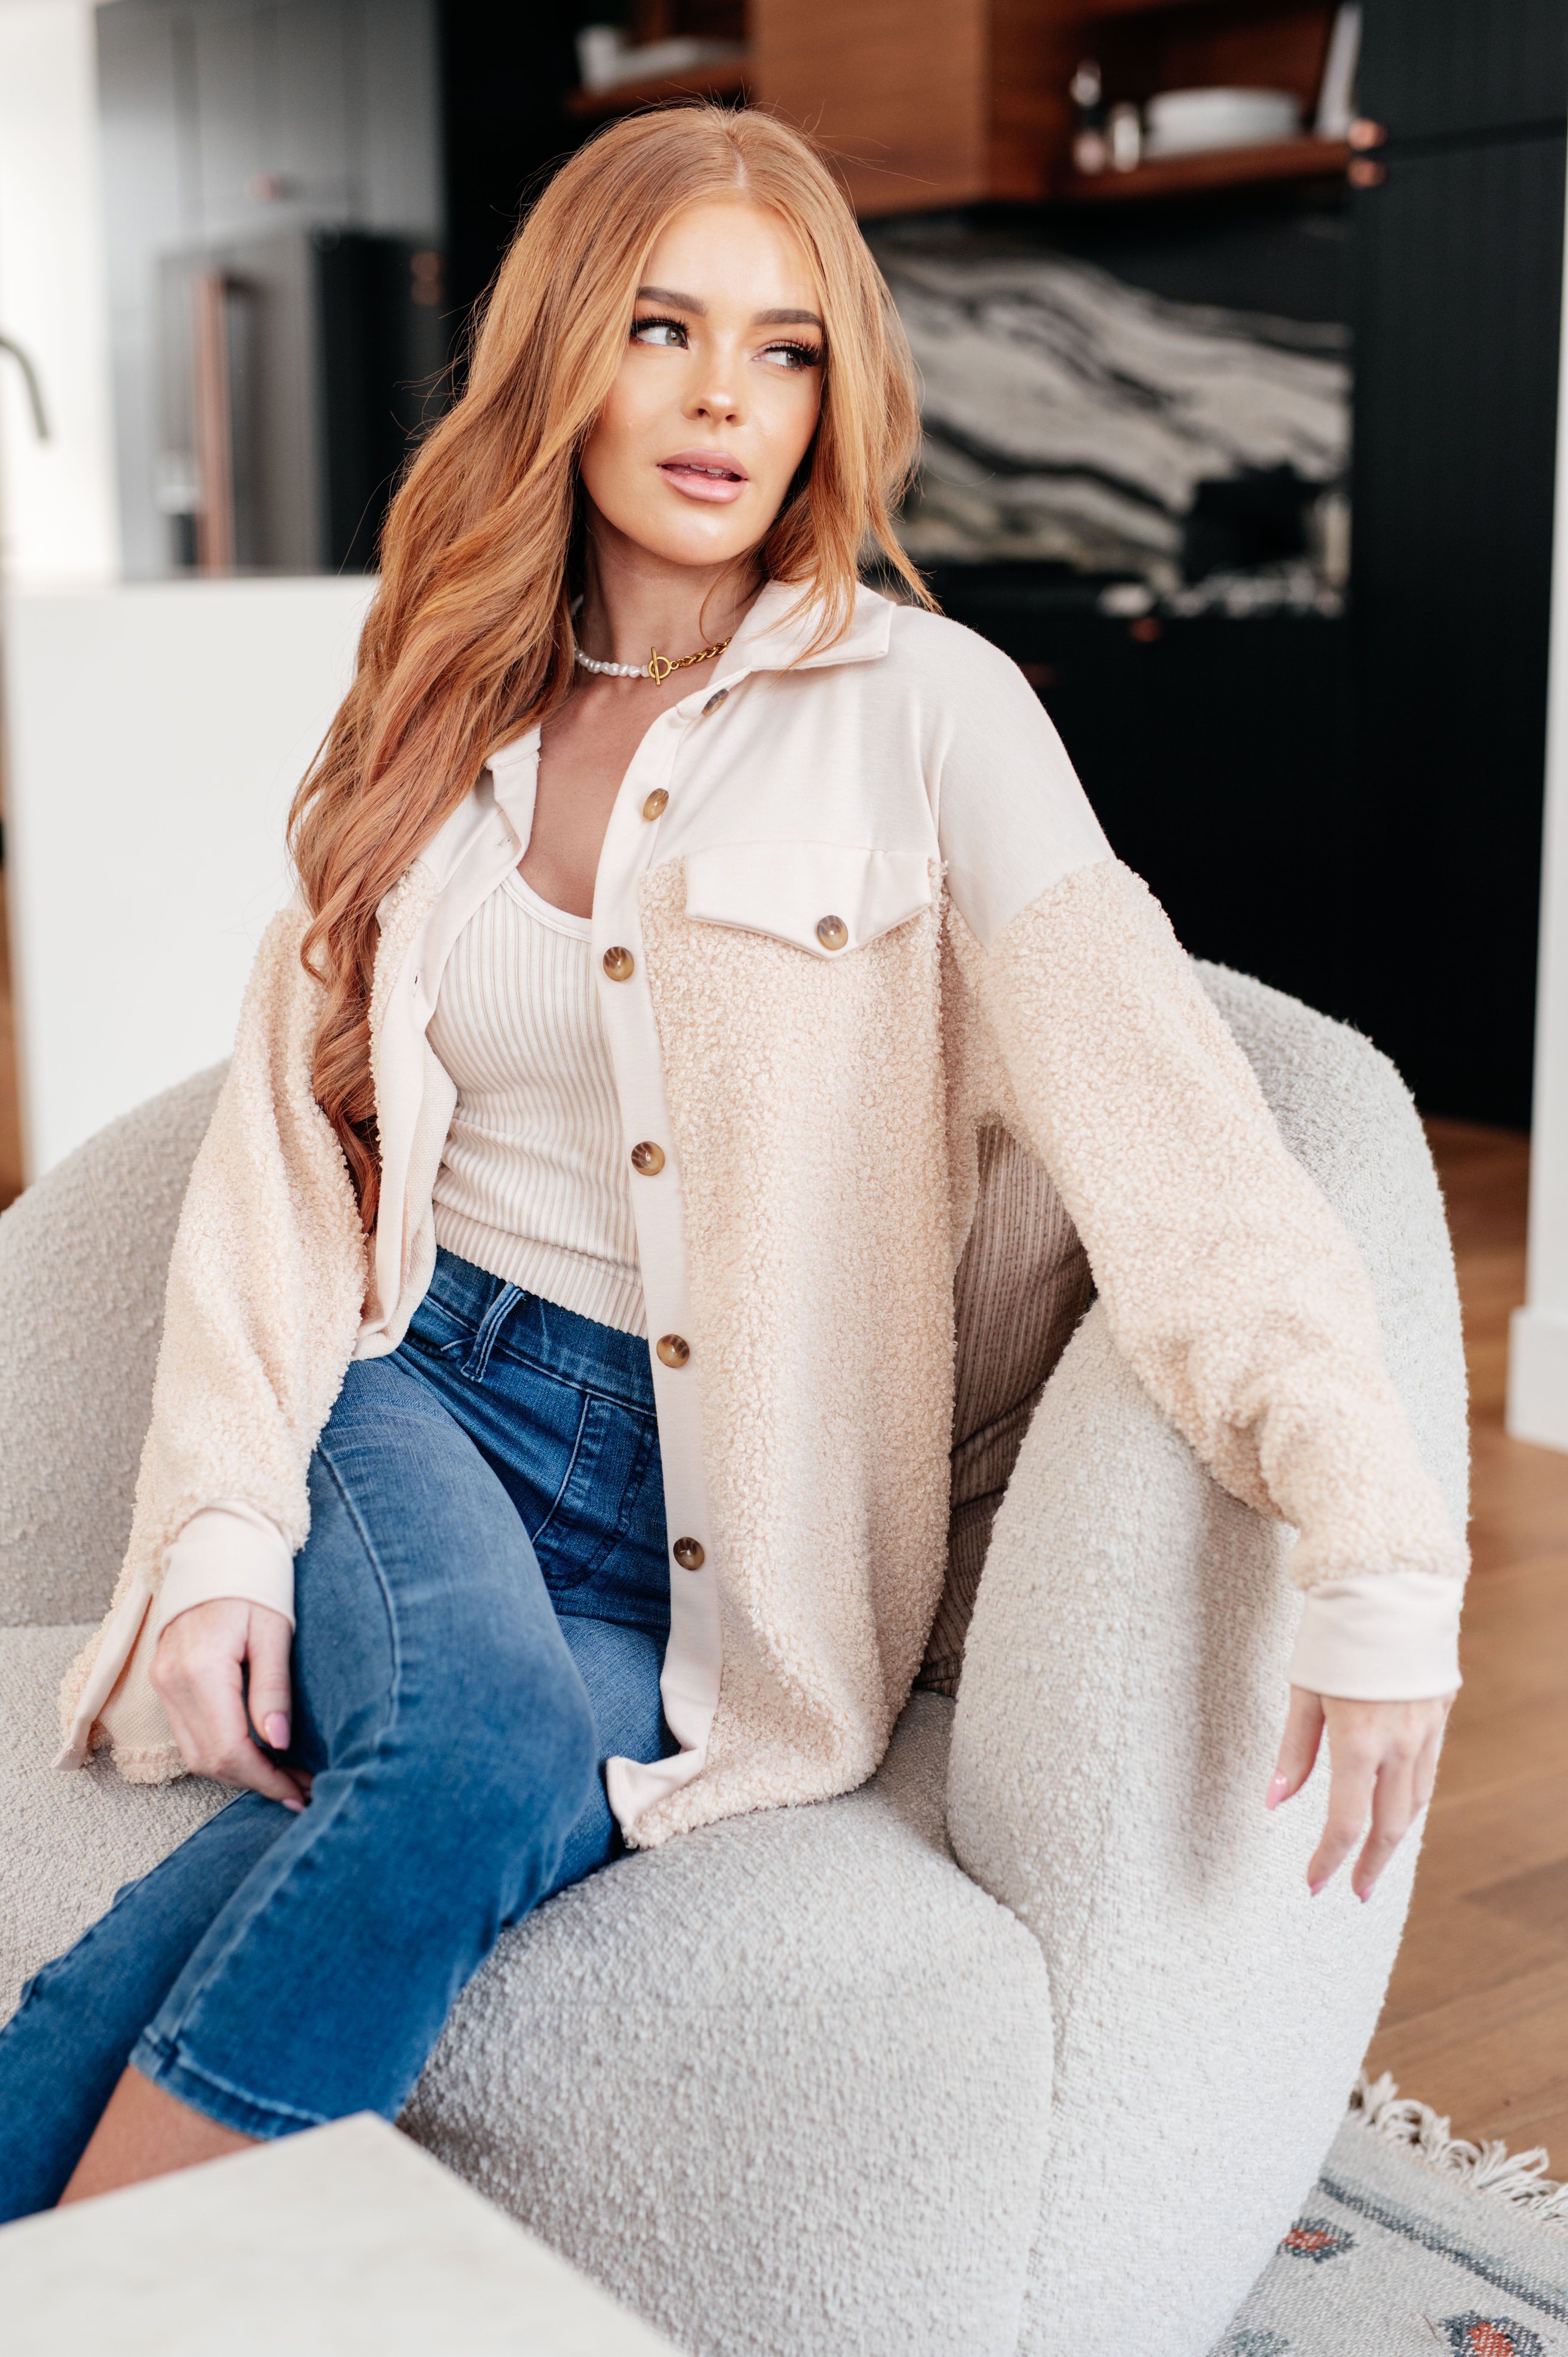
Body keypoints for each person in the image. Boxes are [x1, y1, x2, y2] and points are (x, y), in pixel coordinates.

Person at [0, 103, 1462, 2219]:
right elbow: (290, 1149)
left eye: (785, 350)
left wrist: (1375, 1545)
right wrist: (226, 1526)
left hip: (733, 1532)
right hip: (424, 1398)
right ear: (566, 360)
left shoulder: (935, 712)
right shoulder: (436, 714)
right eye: (666, 328)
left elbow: (1180, 1140)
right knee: (488, 1752)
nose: (722, 398)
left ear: (835, 397)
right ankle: (149, 2313)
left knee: (386, 1817)